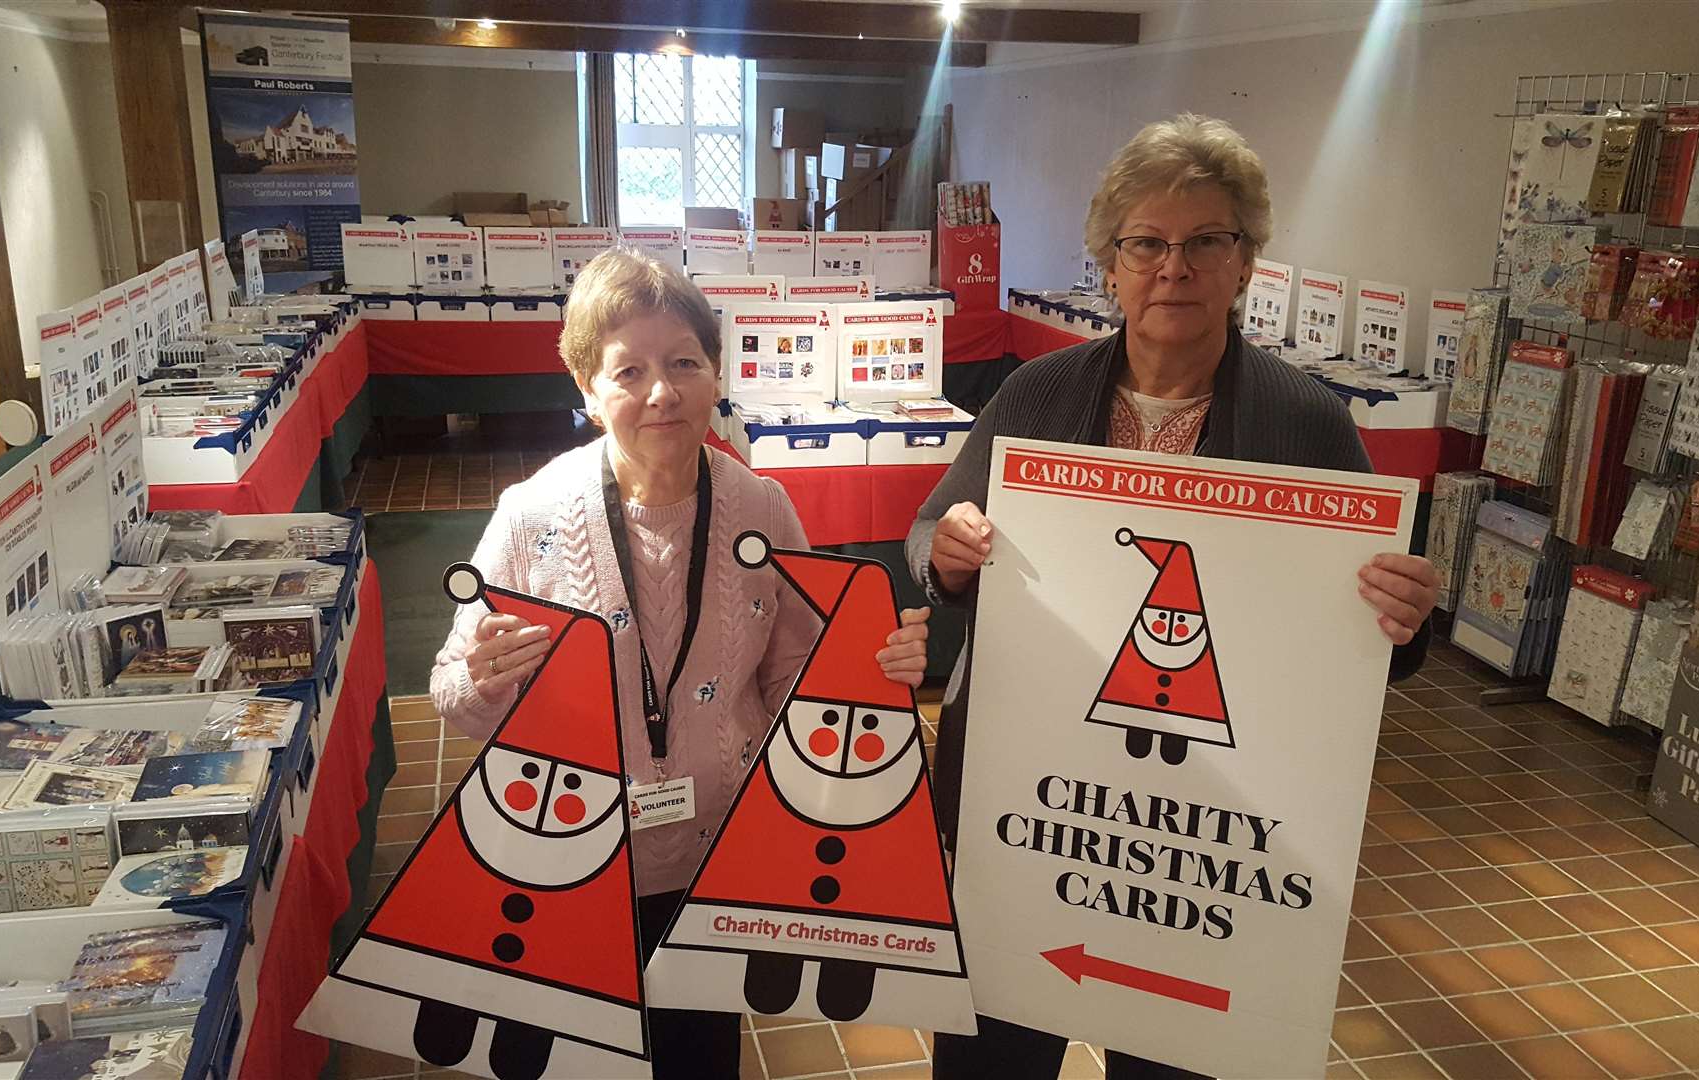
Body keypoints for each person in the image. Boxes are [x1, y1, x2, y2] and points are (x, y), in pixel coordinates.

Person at [907, 115, 1440, 1080]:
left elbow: (1376, 640)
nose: (1174, 268)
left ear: (1246, 263)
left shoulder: (1307, 419)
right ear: (1110, 265)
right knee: (993, 1052)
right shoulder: (1036, 395)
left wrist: (1402, 614)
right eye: (1146, 244)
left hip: (1198, 835)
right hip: (1032, 803)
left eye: (1206, 242)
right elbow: (929, 531)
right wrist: (947, 553)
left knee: (1172, 1054)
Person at [429, 248, 932, 1079]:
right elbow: (450, 690)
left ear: (715, 374)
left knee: (701, 1061)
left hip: (717, 852)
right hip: (575, 862)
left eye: (683, 364)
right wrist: (483, 683)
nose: (661, 392)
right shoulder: (530, 517)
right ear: (587, 391)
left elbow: (797, 673)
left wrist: (868, 673)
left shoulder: (762, 508)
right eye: (628, 371)